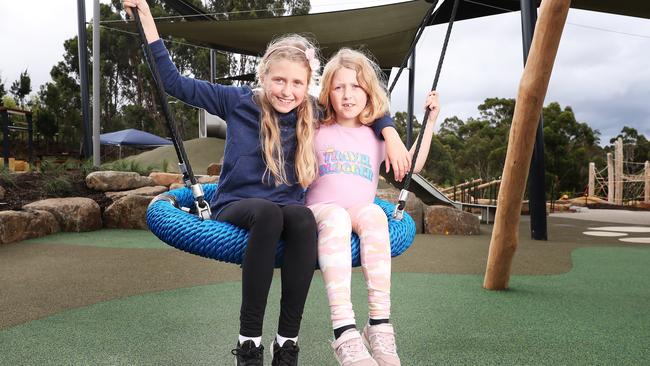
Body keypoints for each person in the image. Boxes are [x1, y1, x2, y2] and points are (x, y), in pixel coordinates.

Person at [123, 2, 411, 365]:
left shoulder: (312, 110)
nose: (286, 91)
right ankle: (249, 341)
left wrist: (391, 131)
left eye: (296, 83)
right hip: (239, 202)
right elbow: (174, 82)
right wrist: (146, 19)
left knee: (303, 219)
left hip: (288, 205)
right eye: (279, 80)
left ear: (307, 86)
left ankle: (287, 343)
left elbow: (359, 106)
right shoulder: (237, 101)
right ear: (263, 76)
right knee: (269, 216)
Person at [306, 48, 440, 366]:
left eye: (356, 87)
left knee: (375, 213)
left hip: (357, 210)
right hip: (319, 210)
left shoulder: (376, 137)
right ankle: (345, 331)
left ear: (368, 93)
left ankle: (379, 326)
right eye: (339, 87)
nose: (348, 95)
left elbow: (411, 165)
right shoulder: (315, 128)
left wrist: (431, 121)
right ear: (327, 92)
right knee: (337, 216)